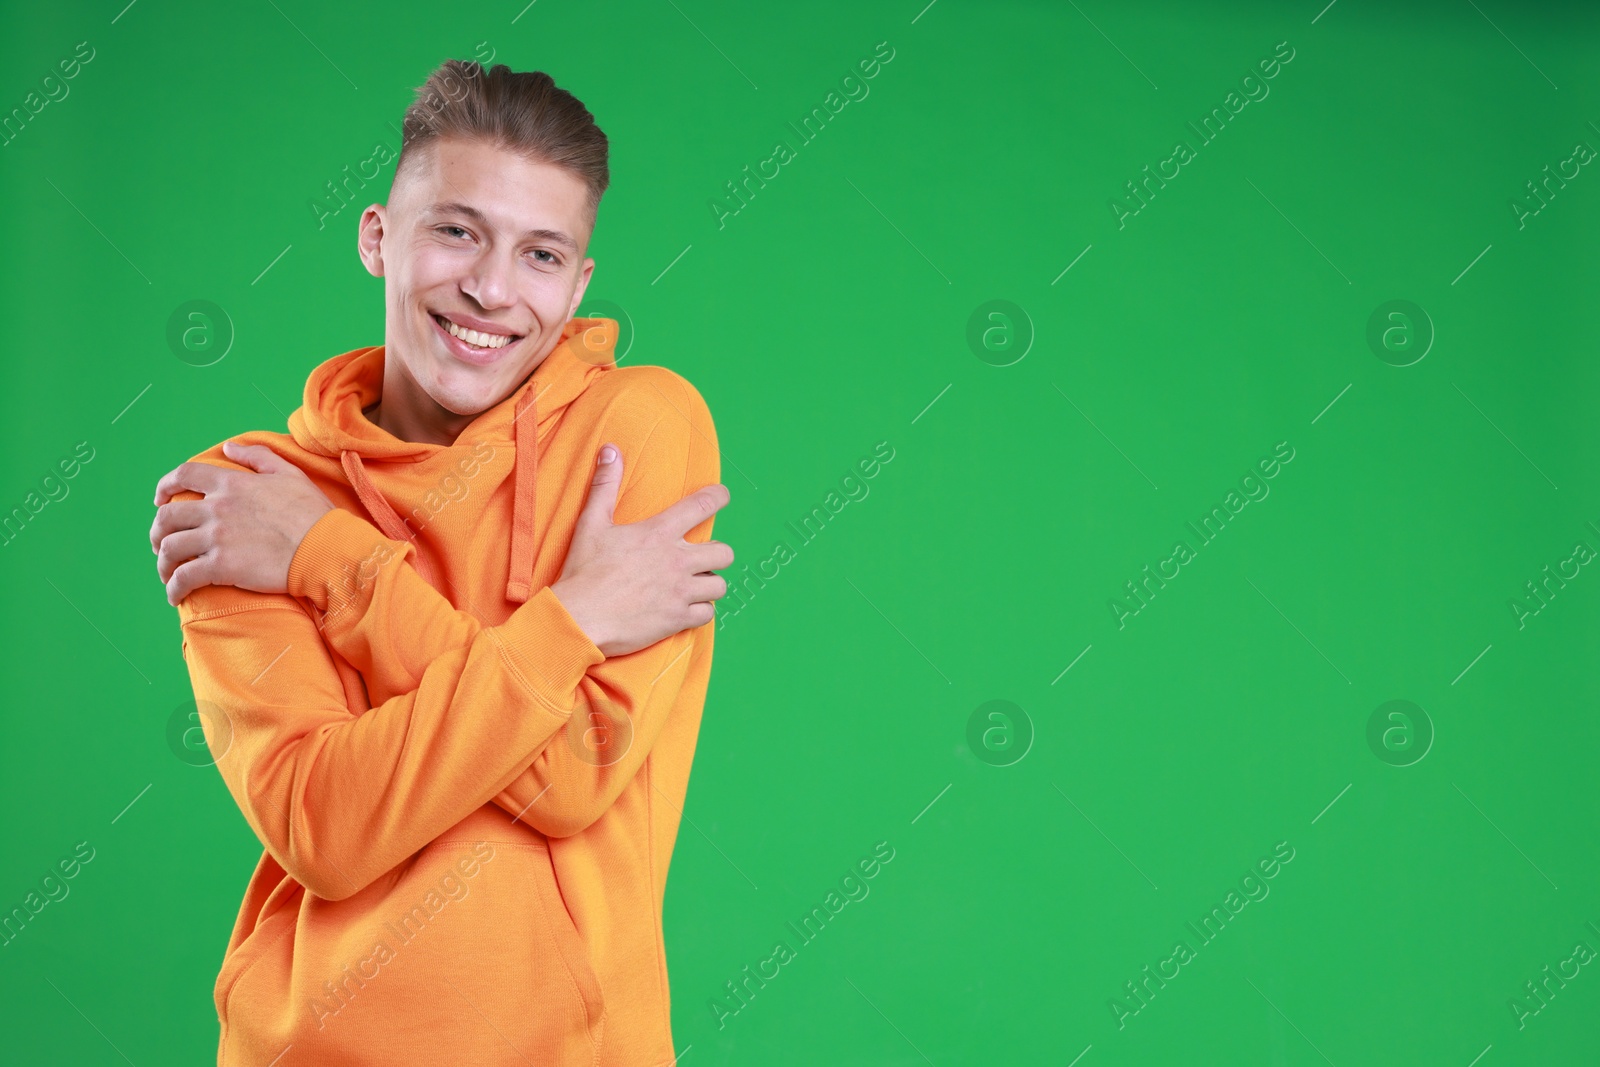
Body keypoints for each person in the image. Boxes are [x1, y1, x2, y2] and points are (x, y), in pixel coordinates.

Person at [147, 58, 733, 1067]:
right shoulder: (249, 494)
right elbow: (324, 824)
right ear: (378, 236)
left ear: (580, 281)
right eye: (456, 230)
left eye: (541, 254)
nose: (491, 288)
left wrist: (329, 560)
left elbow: (572, 774)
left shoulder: (636, 427)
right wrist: (575, 620)